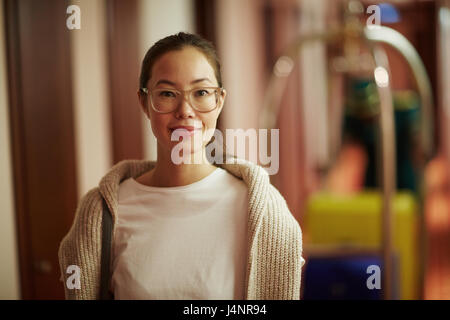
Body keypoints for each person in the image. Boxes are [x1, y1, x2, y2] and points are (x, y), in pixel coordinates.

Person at [58, 32, 305, 300]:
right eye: (167, 93)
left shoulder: (260, 209)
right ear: (144, 102)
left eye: (201, 92)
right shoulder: (103, 211)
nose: (185, 110)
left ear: (219, 100)